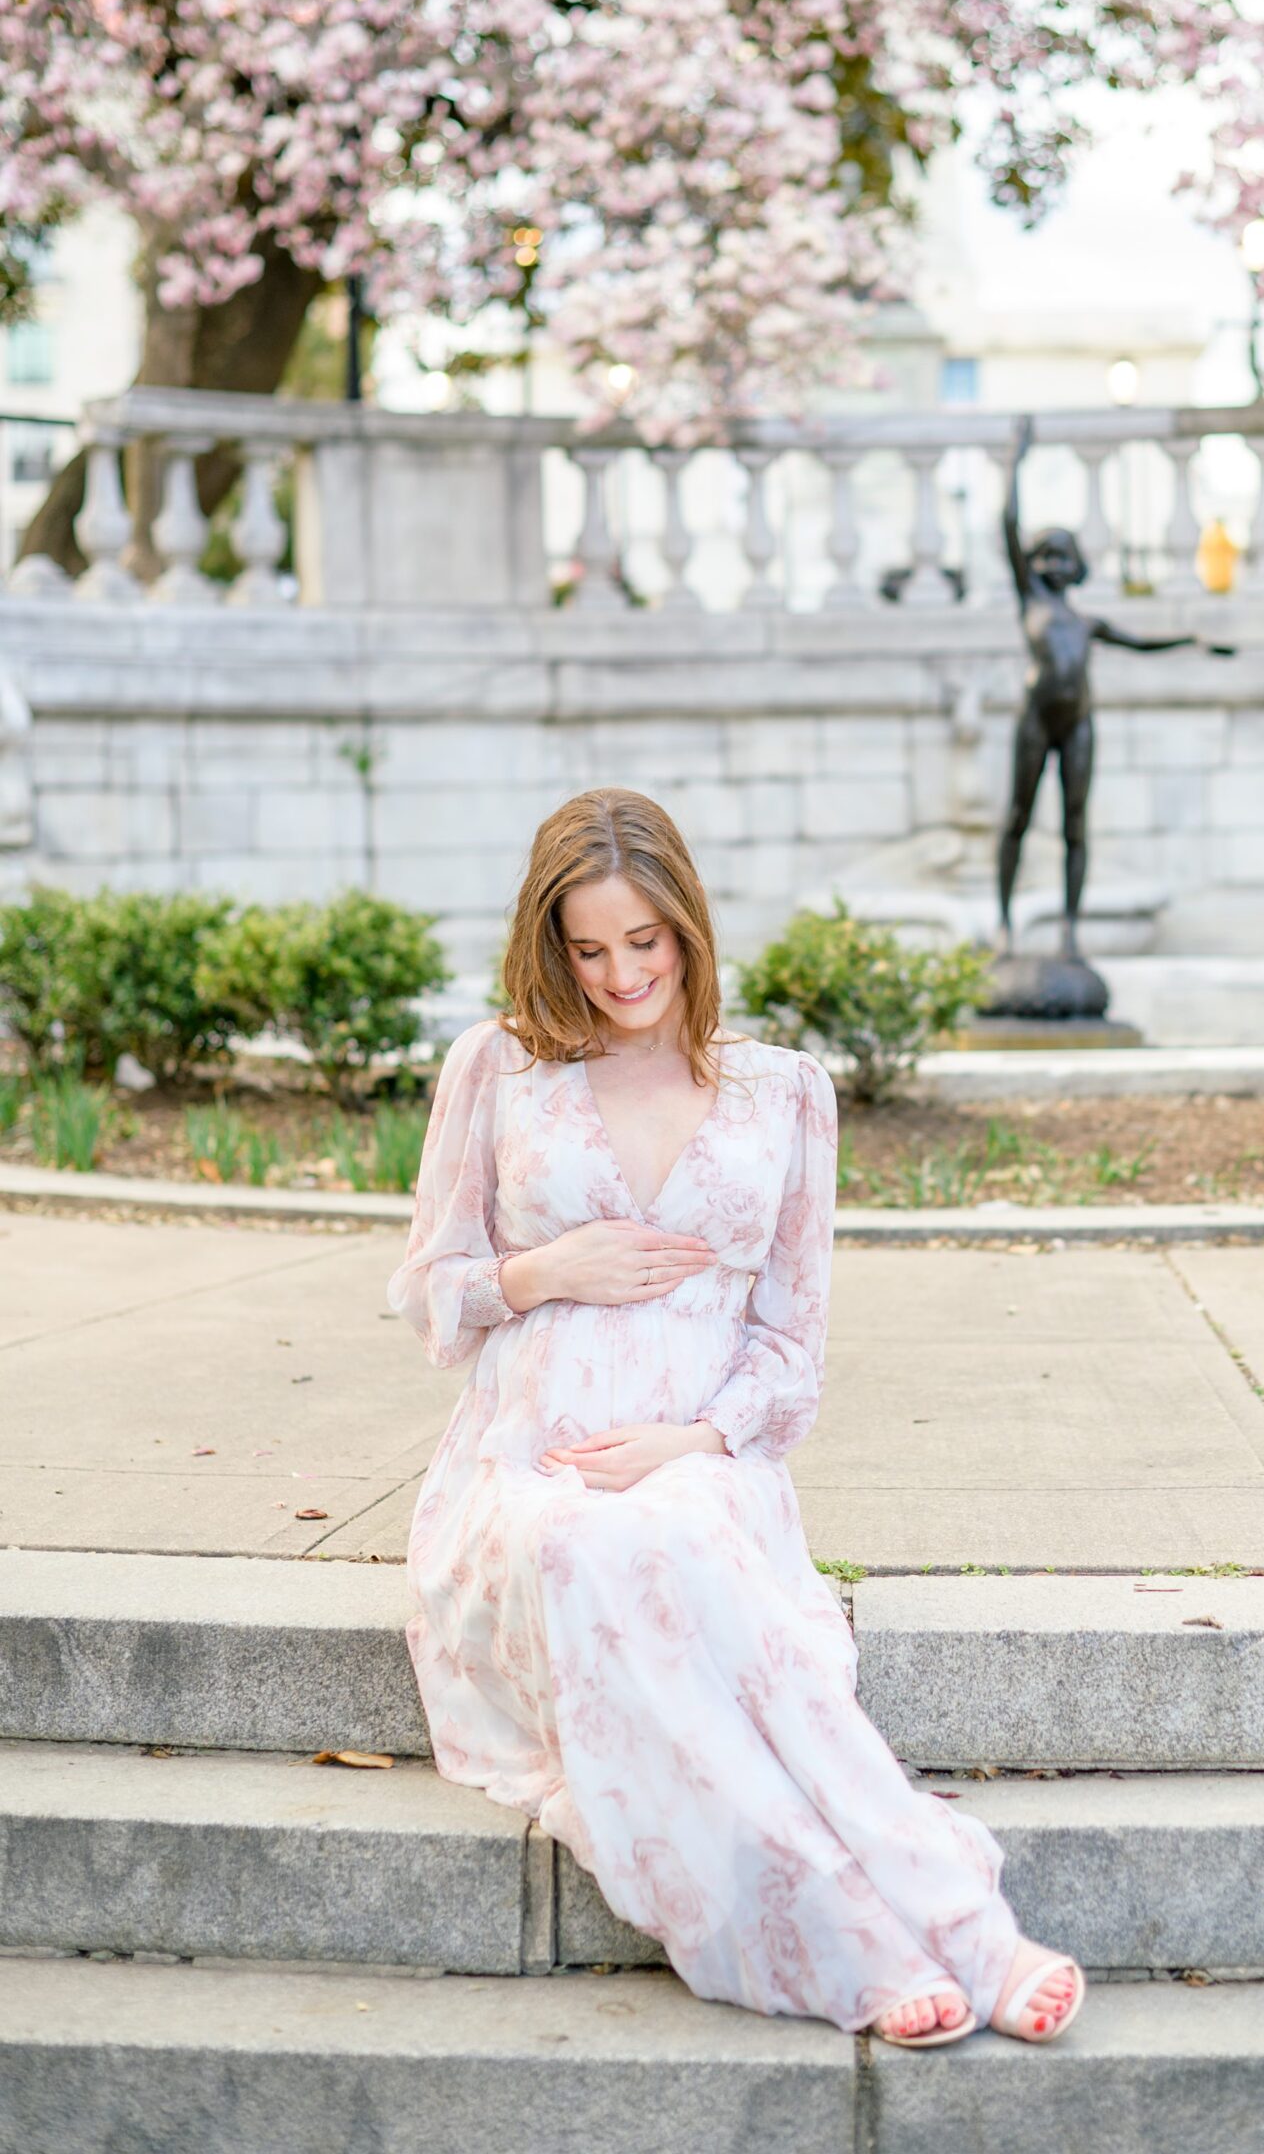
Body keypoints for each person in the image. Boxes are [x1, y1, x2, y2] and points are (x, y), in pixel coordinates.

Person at [389, 786, 1085, 2050]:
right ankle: (845, 1939)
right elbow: (432, 1295)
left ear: (688, 928)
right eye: (588, 950)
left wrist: (693, 1442)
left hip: (702, 1459)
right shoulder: (498, 1064)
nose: (618, 975)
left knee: (666, 1537)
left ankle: (964, 1925)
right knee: (583, 1544)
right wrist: (546, 1270)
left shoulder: (782, 1093)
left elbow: (788, 1351)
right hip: (527, 1467)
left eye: (643, 943)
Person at [999, 421, 1236, 958]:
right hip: (1036, 717)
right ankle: (1005, 925)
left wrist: (1194, 640)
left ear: (1077, 567)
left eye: (1063, 557)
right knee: (1017, 817)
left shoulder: (1087, 623)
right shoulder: (1030, 603)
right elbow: (1007, 522)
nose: (1052, 565)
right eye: (1044, 557)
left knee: (1075, 826)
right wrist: (1017, 459)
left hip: (1078, 720)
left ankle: (1069, 932)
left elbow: (1143, 643)